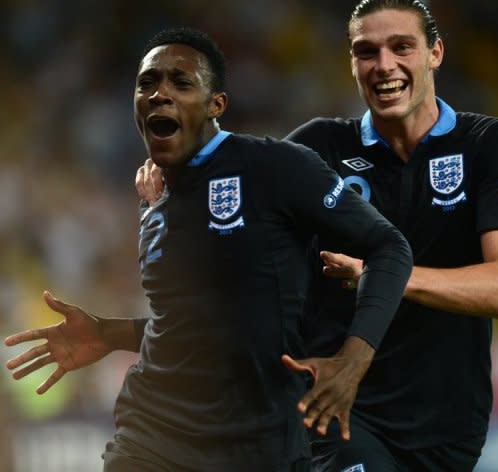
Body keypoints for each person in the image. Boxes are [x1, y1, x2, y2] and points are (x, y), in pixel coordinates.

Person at [5, 27, 413, 472]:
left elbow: (389, 247)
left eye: (181, 83)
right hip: (154, 435)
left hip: (259, 445)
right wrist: (109, 334)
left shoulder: (275, 167)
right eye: (147, 83)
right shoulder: (157, 201)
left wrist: (354, 359)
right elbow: (200, 324)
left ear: (216, 104)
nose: (160, 94)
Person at [132, 0, 498, 471]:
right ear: (351, 63)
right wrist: (167, 204)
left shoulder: (486, 145)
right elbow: (233, 237)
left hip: (451, 428)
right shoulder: (317, 148)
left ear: (435, 53)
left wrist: (384, 275)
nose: (383, 65)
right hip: (333, 414)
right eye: (366, 52)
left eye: (401, 47)